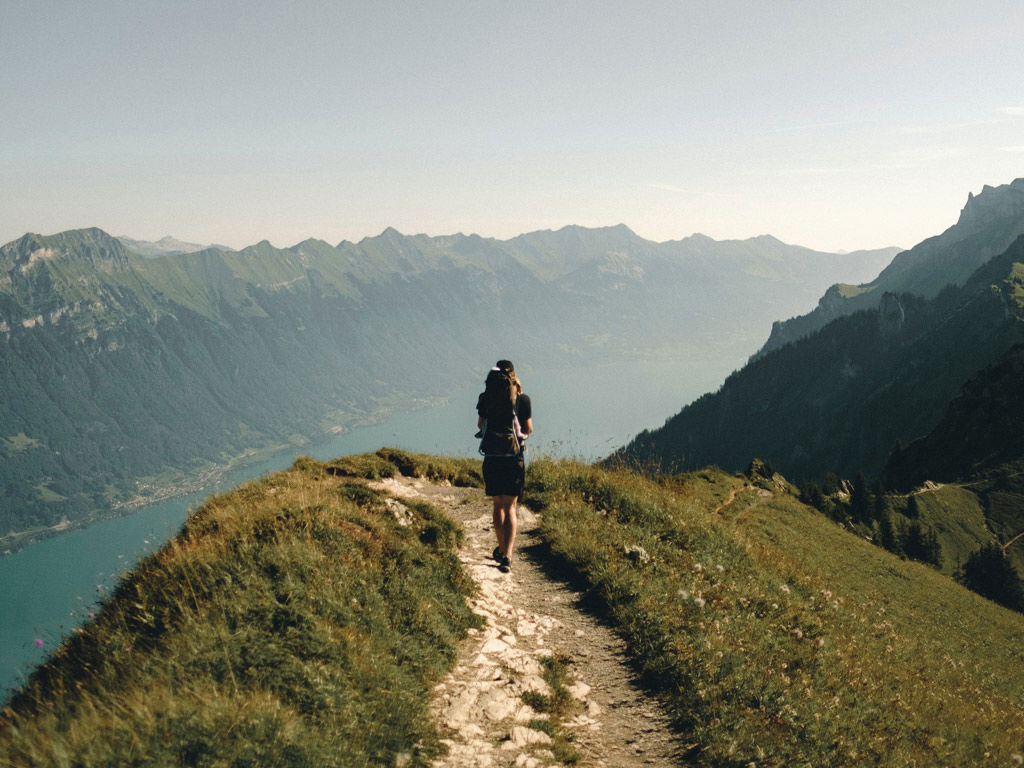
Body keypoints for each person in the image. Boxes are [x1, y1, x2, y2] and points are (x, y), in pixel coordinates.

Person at [476, 359, 532, 573]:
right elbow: (528, 429)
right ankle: (507, 556)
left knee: (497, 505)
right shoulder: (522, 399)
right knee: (511, 507)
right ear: (513, 376)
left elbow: (480, 425)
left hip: (492, 457)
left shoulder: (485, 398)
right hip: (513, 458)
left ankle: (500, 548)